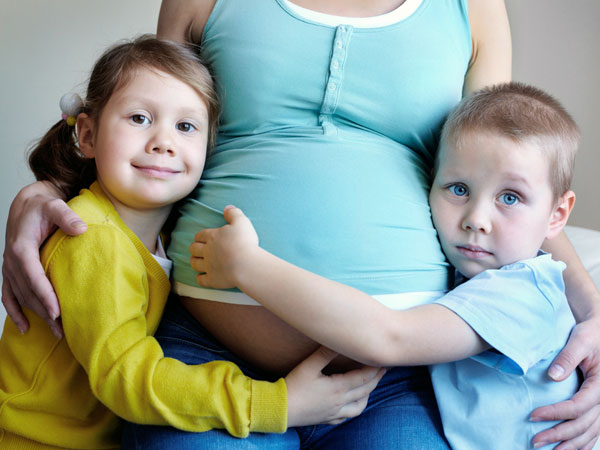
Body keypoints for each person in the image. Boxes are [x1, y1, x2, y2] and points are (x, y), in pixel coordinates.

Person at [3, 0, 600, 448]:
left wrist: (593, 312)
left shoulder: (472, 9)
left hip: (392, 378)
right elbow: (153, 118)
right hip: (208, 352)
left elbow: (507, 173)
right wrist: (49, 189)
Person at [0, 35, 383, 449]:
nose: (163, 142)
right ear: (88, 135)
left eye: (185, 127)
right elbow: (128, 379)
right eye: (139, 118)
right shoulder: (93, 239)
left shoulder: (162, 235)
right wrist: (277, 404)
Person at [191, 82, 581, 449]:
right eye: (459, 189)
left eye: (510, 198)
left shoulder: (524, 295)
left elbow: (389, 337)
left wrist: (247, 267)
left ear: (557, 214)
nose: (476, 219)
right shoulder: (472, 272)